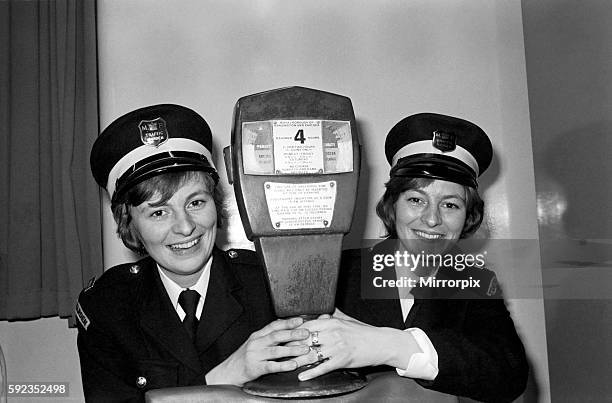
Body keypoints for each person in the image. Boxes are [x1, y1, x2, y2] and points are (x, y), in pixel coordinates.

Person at [76, 104, 313, 402]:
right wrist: (224, 377)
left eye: (196, 203)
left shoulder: (273, 285)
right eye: (159, 212)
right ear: (129, 223)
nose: (185, 227)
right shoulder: (108, 307)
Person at [296, 113, 529, 402]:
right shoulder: (336, 272)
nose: (432, 219)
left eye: (451, 205)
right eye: (416, 200)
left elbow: (508, 374)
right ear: (392, 207)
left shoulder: (476, 282)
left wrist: (390, 345)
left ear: (468, 217)